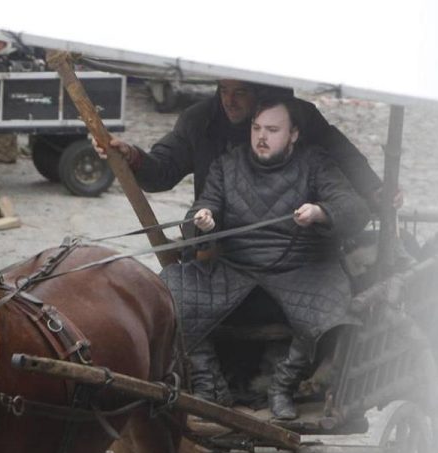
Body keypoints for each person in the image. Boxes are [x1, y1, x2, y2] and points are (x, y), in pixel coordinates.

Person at [160, 96, 370, 418]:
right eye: (257, 128)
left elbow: (354, 208)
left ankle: (282, 385)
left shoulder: (316, 164)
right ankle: (209, 383)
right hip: (235, 271)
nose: (261, 136)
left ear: (293, 134)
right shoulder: (227, 166)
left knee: (329, 301)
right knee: (171, 288)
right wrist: (202, 219)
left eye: (272, 129)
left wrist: (321, 211)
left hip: (300, 270)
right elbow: (205, 206)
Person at [95, 79, 390, 213]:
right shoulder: (200, 120)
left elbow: (341, 157)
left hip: (290, 244)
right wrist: (132, 157)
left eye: (240, 92)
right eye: (224, 90)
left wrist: (374, 189)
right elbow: (162, 171)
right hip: (216, 238)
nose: (229, 101)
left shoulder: (299, 118)